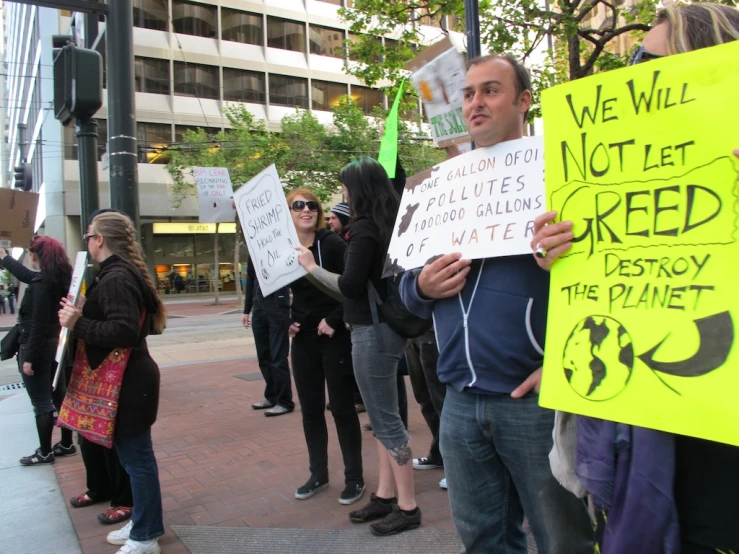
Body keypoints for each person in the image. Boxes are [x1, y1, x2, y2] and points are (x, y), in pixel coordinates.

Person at [532, 5, 739, 553]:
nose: (636, 75)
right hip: (642, 449)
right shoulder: (618, 179)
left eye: (652, 61)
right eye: (636, 61)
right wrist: (564, 257)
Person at [399, 55, 594, 553]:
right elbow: (402, 289)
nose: (475, 103)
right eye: (467, 94)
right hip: (459, 402)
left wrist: (562, 364)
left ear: (524, 100)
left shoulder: (563, 174)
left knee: (562, 539)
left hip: (534, 399)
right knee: (482, 538)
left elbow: (604, 278)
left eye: (490, 90)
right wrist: (422, 286)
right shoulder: (438, 186)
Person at [297, 157, 421, 537]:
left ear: (359, 189)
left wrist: (311, 267)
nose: (343, 194)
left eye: (346, 187)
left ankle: (407, 505)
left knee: (385, 418)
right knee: (384, 417)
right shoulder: (386, 221)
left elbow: (350, 285)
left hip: (372, 330)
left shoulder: (365, 227)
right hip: (380, 327)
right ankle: (385, 494)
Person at [59, 211, 167, 554]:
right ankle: (142, 522)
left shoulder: (117, 277)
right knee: (133, 459)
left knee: (137, 461)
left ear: (100, 240)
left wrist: (78, 322)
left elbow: (123, 331)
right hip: (132, 380)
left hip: (130, 383)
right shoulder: (119, 274)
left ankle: (146, 535)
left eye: (89, 235)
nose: (87, 241)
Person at [285, 188, 365, 505]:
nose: (307, 210)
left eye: (313, 205)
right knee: (311, 410)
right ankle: (318, 474)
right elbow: (270, 293)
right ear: (289, 212)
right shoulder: (284, 248)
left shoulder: (331, 244)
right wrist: (284, 321)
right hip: (303, 338)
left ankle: (354, 477)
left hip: (333, 335)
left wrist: (334, 319)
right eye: (299, 205)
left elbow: (352, 286)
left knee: (343, 409)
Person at [1, 238, 74, 466]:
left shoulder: (42, 283)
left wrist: (29, 358)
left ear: (38, 255)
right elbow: (28, 276)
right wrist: (5, 258)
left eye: (31, 253)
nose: (29, 258)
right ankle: (66, 444)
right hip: (56, 348)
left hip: (38, 349)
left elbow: (39, 324)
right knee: (60, 397)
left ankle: (44, 452)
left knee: (42, 403)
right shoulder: (56, 279)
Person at [242, 257, 295, 417]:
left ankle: (284, 401)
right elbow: (251, 281)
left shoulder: (277, 247)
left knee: (278, 357)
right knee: (264, 356)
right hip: (259, 307)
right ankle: (271, 396)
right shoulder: (253, 252)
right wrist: (246, 310)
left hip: (277, 306)